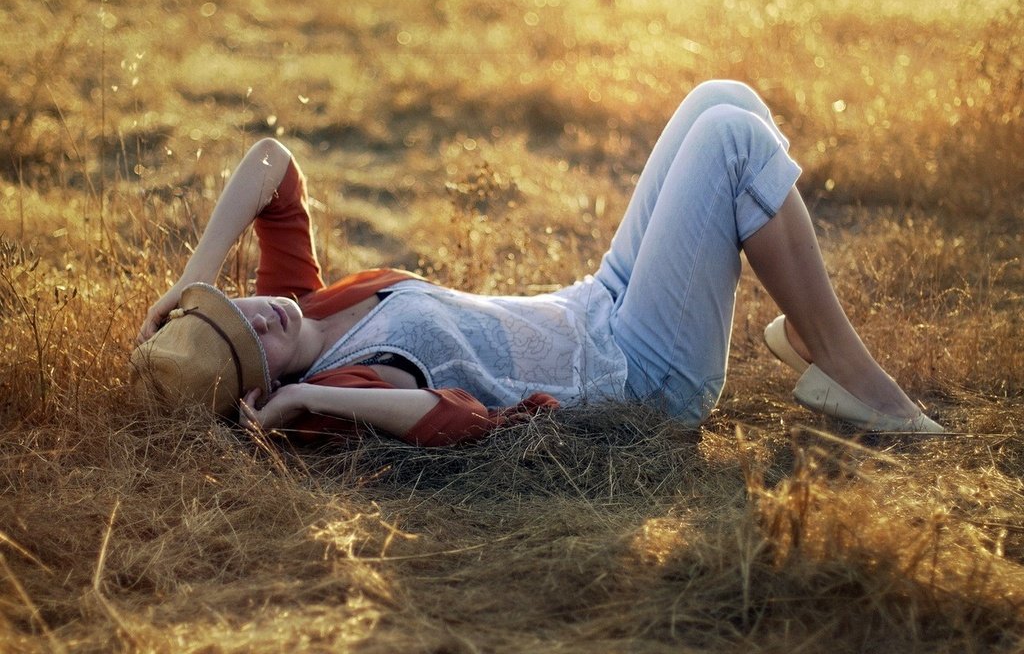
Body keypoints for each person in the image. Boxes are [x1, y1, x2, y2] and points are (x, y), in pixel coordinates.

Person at [132, 80, 943, 446]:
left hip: (597, 303)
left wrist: (192, 280)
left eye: (234, 305)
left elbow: (271, 161)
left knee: (719, 99)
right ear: (257, 389)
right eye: (250, 342)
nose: (261, 315)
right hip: (640, 375)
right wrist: (301, 395)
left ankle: (809, 331)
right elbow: (453, 420)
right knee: (732, 144)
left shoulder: (297, 303)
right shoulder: (340, 387)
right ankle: (847, 370)